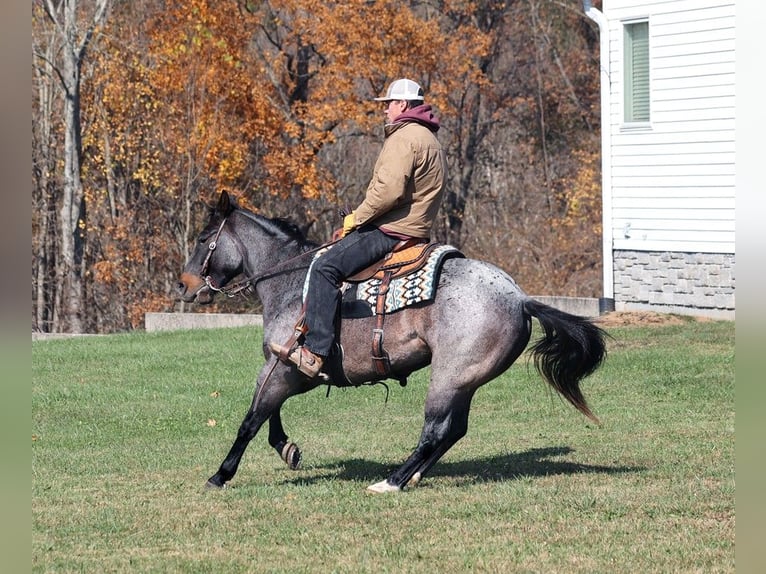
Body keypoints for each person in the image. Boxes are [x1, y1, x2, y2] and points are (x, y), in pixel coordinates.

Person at [269, 78, 448, 378]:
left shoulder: (404, 138)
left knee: (325, 267)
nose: (385, 110)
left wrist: (355, 219)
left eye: (389, 104)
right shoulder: (431, 140)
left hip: (392, 230)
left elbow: (387, 192)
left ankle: (314, 352)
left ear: (402, 105)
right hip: (416, 229)